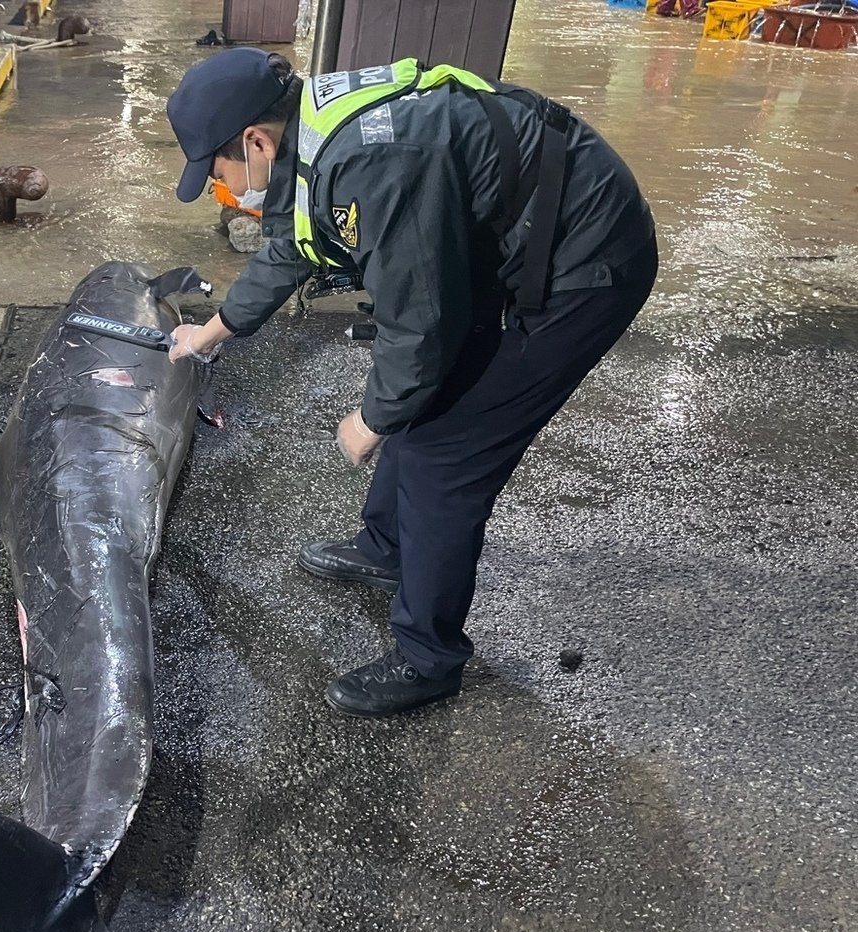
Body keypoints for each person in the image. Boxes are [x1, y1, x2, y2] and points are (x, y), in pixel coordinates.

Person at [164, 48, 657, 718]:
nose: (226, 190)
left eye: (220, 175)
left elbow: (420, 326)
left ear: (255, 141)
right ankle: (386, 547)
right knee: (422, 410)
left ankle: (429, 657)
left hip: (586, 262)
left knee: (443, 454)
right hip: (519, 236)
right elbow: (291, 245)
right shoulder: (308, 134)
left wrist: (368, 421)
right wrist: (211, 331)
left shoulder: (370, 164)